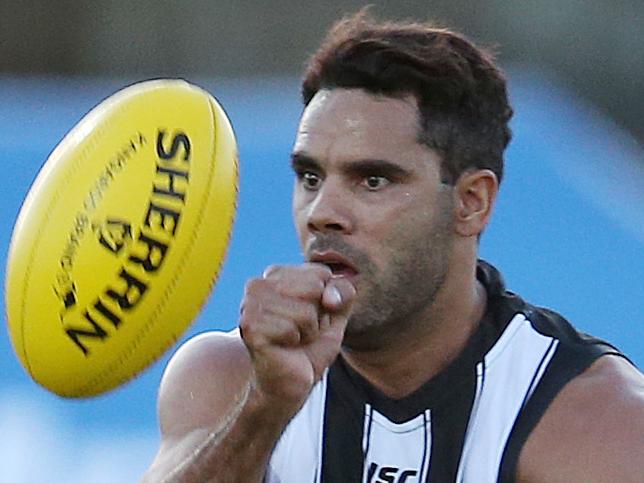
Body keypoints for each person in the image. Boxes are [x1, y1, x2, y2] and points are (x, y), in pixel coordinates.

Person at [141, 11, 644, 483]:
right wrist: (265, 408)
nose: (322, 212)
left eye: (373, 180)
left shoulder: (595, 419)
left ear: (471, 202)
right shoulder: (226, 380)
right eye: (310, 176)